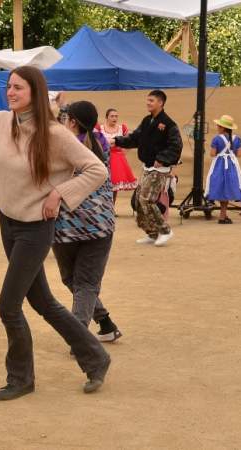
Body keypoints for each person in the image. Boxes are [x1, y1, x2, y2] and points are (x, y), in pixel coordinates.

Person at [0, 48, 110, 400]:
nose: (11, 92)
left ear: (35, 94)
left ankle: (21, 378)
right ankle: (96, 357)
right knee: (42, 301)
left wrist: (60, 194)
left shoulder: (55, 134)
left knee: (8, 306)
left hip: (35, 229)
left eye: (19, 88)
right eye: (10, 86)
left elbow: (96, 170)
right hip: (8, 223)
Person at [55, 101, 122, 344]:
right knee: (85, 283)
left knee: (77, 281)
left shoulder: (64, 147)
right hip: (101, 225)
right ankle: (105, 323)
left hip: (65, 227)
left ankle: (80, 339)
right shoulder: (101, 142)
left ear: (72, 121)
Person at [112, 90, 182, 247]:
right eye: (147, 100)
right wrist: (117, 141)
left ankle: (165, 231)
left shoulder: (169, 124)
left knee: (147, 199)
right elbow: (135, 138)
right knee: (138, 201)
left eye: (151, 100)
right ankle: (152, 233)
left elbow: (176, 145)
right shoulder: (146, 121)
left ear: (160, 103)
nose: (148, 103)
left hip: (159, 169)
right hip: (147, 167)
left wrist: (162, 159)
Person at [205, 114, 241, 224]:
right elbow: (240, 154)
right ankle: (224, 215)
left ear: (222, 127)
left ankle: (222, 216)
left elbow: (212, 154)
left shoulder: (217, 139)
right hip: (232, 166)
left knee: (220, 188)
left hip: (219, 166)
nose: (217, 127)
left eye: (218, 126)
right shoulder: (237, 139)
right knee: (227, 189)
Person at [96, 108, 137, 205]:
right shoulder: (100, 128)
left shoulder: (121, 128)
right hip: (103, 158)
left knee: (114, 184)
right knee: (102, 183)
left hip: (117, 159)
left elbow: (130, 142)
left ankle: (111, 206)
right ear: (107, 117)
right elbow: (95, 142)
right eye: (112, 116)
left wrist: (123, 153)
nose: (114, 118)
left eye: (116, 116)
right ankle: (102, 205)